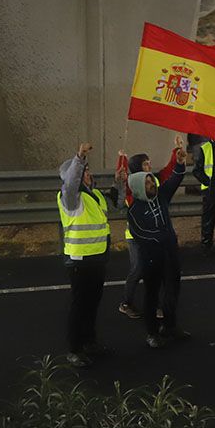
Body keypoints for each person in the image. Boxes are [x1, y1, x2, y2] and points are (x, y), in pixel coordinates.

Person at [58, 142, 126, 367]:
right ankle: (74, 349)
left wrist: (119, 182)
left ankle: (89, 342)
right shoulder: (69, 197)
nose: (88, 174)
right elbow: (70, 183)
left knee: (92, 304)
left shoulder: (95, 194)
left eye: (87, 171)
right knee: (80, 305)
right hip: (79, 260)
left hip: (98, 258)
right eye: (84, 172)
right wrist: (80, 157)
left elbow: (118, 205)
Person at [126, 142, 193, 347]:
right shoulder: (134, 210)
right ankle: (152, 332)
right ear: (138, 187)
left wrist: (180, 162)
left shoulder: (161, 196)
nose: (152, 184)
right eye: (147, 183)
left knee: (172, 289)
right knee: (152, 294)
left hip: (170, 254)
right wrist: (163, 238)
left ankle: (170, 326)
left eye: (151, 182)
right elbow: (140, 234)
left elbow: (174, 179)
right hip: (151, 258)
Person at [119, 147, 179, 319]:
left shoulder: (154, 180)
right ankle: (126, 303)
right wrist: (121, 159)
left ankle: (157, 306)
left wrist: (176, 152)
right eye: (146, 164)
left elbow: (168, 171)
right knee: (138, 269)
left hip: (155, 236)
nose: (149, 166)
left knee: (156, 270)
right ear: (138, 168)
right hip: (136, 237)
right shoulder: (132, 187)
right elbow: (122, 182)